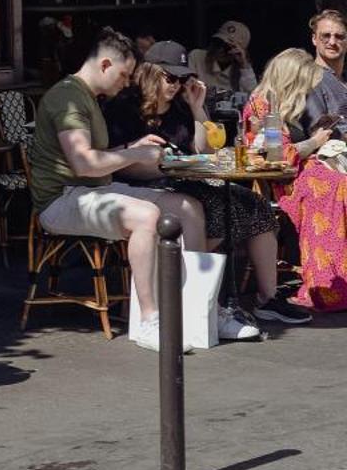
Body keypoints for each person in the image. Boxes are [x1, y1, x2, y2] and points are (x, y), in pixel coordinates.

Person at [104, 40, 307, 331]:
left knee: (255, 205)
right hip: (143, 185)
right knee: (210, 208)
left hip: (185, 181)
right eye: (170, 78)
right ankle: (201, 300)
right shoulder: (125, 107)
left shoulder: (179, 108)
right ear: (149, 73)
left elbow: (206, 150)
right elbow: (116, 161)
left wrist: (198, 108)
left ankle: (268, 299)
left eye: (182, 79)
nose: (176, 86)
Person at [30, 28, 208, 351]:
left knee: (188, 208)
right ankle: (150, 321)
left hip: (94, 190)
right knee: (146, 216)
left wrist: (130, 146)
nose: (127, 83)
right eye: (124, 75)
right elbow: (83, 163)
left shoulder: (88, 97)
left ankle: (198, 309)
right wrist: (135, 153)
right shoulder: (67, 97)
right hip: (62, 197)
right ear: (105, 65)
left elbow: (98, 159)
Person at [247, 49, 347, 311]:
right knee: (333, 189)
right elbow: (277, 156)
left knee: (339, 185)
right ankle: (326, 285)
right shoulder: (260, 105)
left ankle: (338, 279)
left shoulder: (285, 104)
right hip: (284, 180)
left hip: (307, 171)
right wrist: (316, 141)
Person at [189, 21, 257, 104]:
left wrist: (245, 66)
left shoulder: (241, 71)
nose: (220, 49)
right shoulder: (197, 57)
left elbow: (254, 98)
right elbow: (187, 90)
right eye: (218, 43)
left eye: (227, 47)